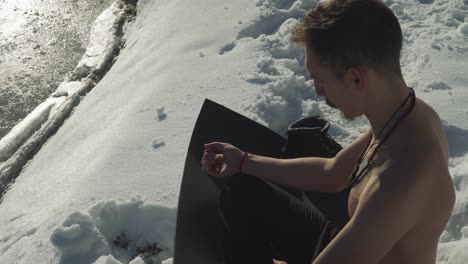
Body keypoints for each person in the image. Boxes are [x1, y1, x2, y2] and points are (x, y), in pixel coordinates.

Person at [201, 0, 456, 263]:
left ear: (356, 78)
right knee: (242, 191)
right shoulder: (404, 114)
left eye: (319, 79)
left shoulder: (400, 181)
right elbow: (332, 172)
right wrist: (244, 161)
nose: (318, 90)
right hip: (348, 242)